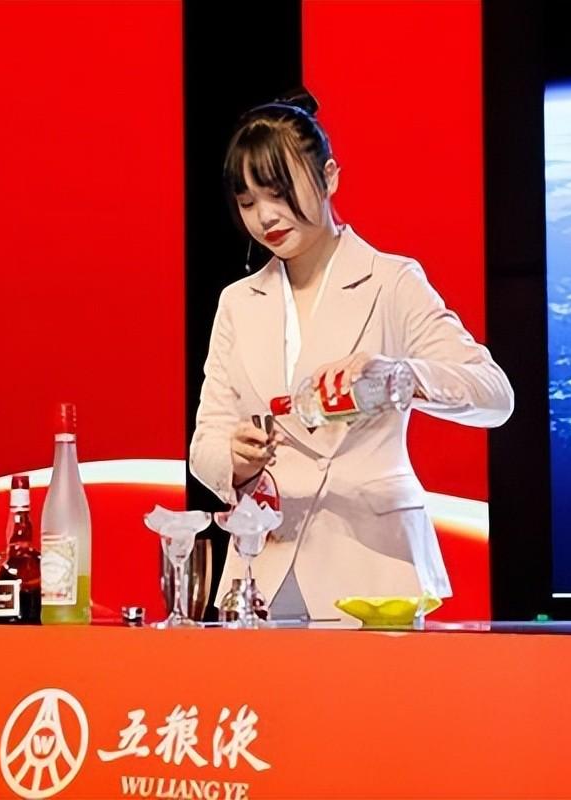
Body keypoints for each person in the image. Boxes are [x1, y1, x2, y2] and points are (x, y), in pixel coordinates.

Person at [190, 89, 514, 624]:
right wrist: (235, 458)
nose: (266, 216)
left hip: (373, 564)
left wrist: (401, 377)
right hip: (262, 567)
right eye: (247, 203)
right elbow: (205, 444)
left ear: (330, 177)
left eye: (280, 192)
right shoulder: (237, 302)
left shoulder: (391, 281)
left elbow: (495, 395)